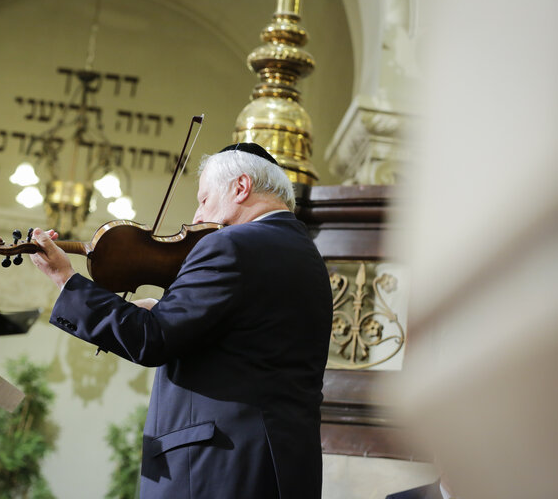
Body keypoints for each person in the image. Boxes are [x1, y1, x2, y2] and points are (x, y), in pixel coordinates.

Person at [30, 142, 332, 499]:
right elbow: (247, 339)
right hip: (282, 465)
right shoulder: (307, 258)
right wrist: (163, 306)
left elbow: (152, 339)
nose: (199, 212)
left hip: (217, 468)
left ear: (241, 187)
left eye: (204, 198)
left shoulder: (231, 245)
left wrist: (67, 281)